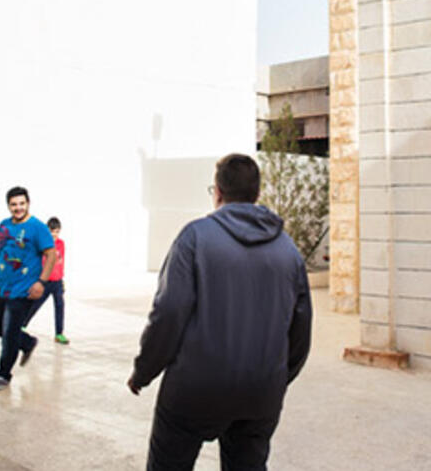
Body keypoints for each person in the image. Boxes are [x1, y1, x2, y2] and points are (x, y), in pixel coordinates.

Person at [128, 153, 312, 470]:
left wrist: (145, 370)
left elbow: (169, 311)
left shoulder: (195, 237)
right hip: (260, 392)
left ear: (217, 192)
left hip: (195, 390)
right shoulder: (287, 249)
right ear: (256, 193)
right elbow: (301, 328)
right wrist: (276, 377)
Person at [0, 186, 57, 391]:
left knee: (10, 333)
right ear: (8, 206)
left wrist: (41, 282)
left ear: (28, 203)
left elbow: (52, 255)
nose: (18, 208)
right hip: (2, 288)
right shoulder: (4, 226)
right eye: (13, 204)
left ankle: (3, 375)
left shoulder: (37, 227)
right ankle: (27, 343)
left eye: (21, 203)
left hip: (23, 291)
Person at [27, 216, 68, 344]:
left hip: (57, 281)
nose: (54, 234)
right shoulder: (43, 244)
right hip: (45, 281)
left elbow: (61, 262)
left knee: (60, 306)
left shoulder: (61, 244)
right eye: (52, 231)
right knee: (35, 304)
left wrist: (62, 279)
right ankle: (22, 324)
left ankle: (59, 334)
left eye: (57, 231)